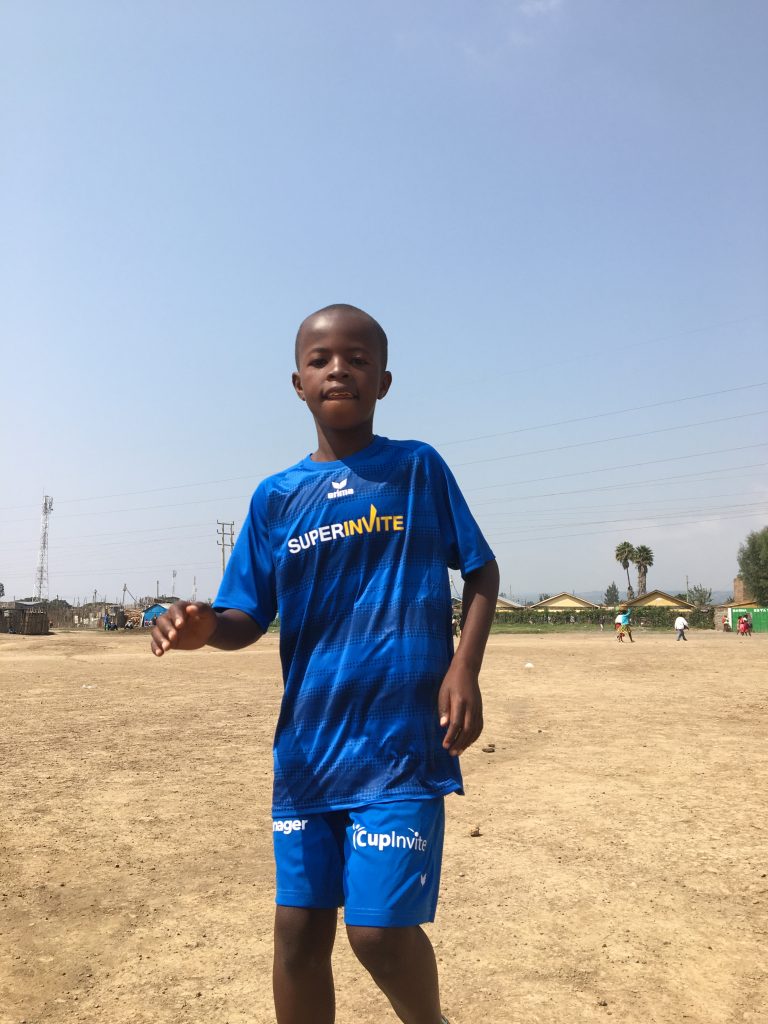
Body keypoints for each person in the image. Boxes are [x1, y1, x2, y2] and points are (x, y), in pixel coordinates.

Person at [150, 304, 499, 1024]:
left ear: (384, 381)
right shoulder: (275, 499)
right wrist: (200, 627)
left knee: (377, 933)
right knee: (298, 935)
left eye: (358, 358)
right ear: (297, 382)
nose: (339, 368)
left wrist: (464, 666)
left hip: (400, 748)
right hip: (309, 752)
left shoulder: (415, 469)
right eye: (321, 359)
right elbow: (245, 617)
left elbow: (483, 570)